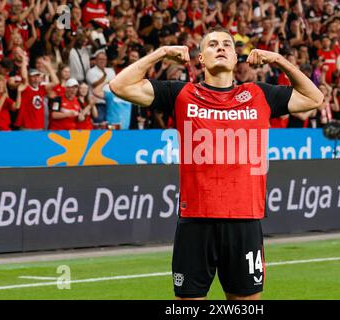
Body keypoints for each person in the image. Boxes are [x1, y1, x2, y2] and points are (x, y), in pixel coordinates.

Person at [109, 27, 323, 300]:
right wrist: (162, 53)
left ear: (236, 58)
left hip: (244, 221)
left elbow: (314, 98)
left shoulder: (259, 95)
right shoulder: (182, 94)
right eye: (212, 44)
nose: (220, 48)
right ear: (200, 58)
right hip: (196, 221)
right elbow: (120, 85)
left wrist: (279, 60)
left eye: (226, 45)